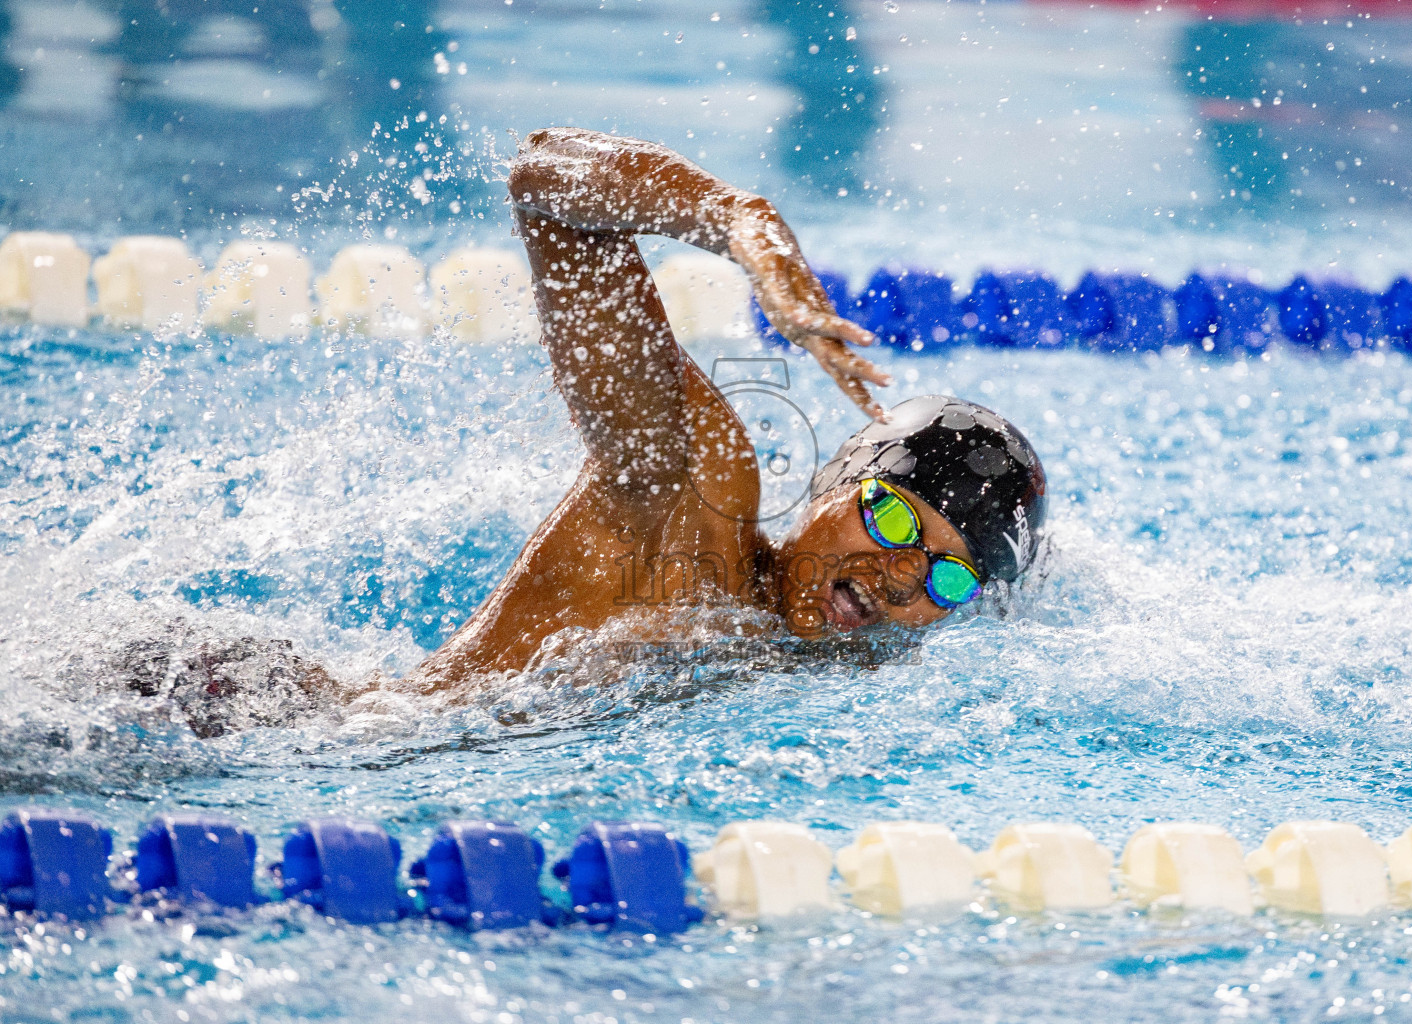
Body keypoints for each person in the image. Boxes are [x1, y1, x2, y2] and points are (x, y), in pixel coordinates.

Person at [415, 128, 1047, 691]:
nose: (905, 574)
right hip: (359, 744)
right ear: (833, 483)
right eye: (896, 521)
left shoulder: (845, 670)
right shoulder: (689, 506)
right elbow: (542, 172)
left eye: (951, 579)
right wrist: (744, 222)